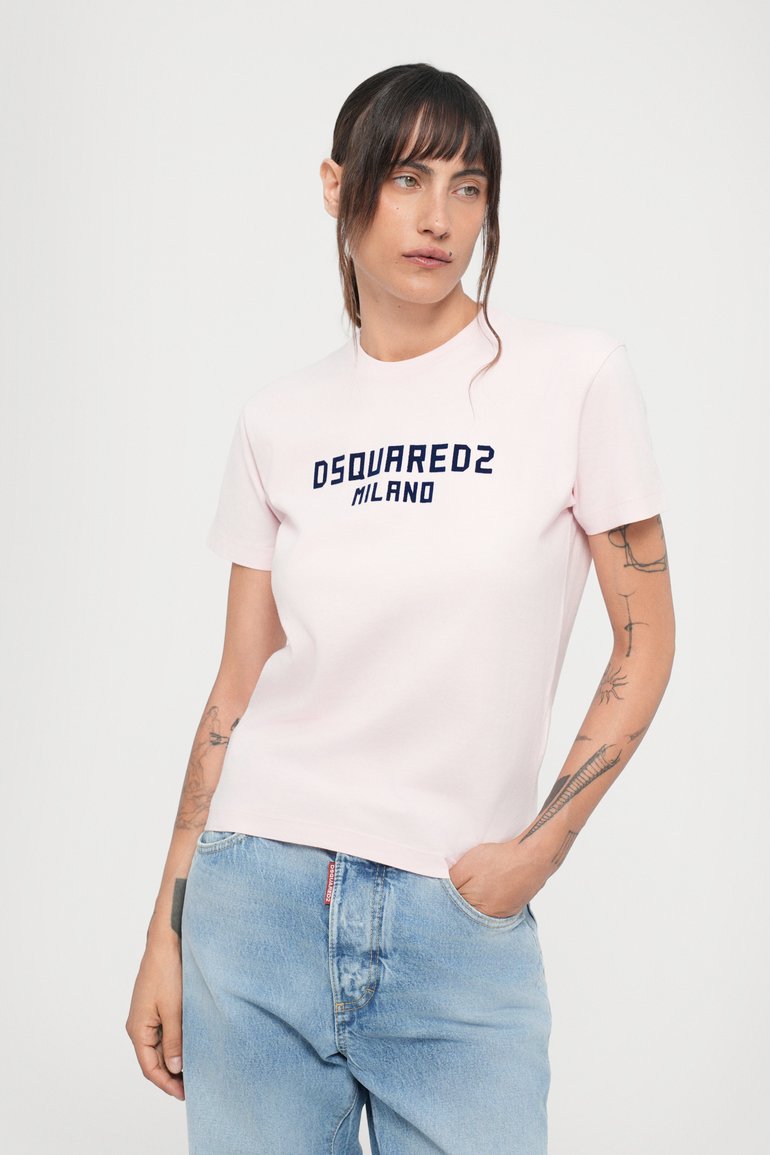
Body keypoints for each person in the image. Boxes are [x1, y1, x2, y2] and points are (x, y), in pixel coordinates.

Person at [126, 62, 676, 1154]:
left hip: (453, 920)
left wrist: (537, 851)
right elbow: (236, 687)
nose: (439, 218)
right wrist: (166, 928)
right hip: (256, 900)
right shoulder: (278, 419)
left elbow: (645, 637)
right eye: (407, 179)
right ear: (338, 185)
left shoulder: (574, 377)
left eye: (469, 186)